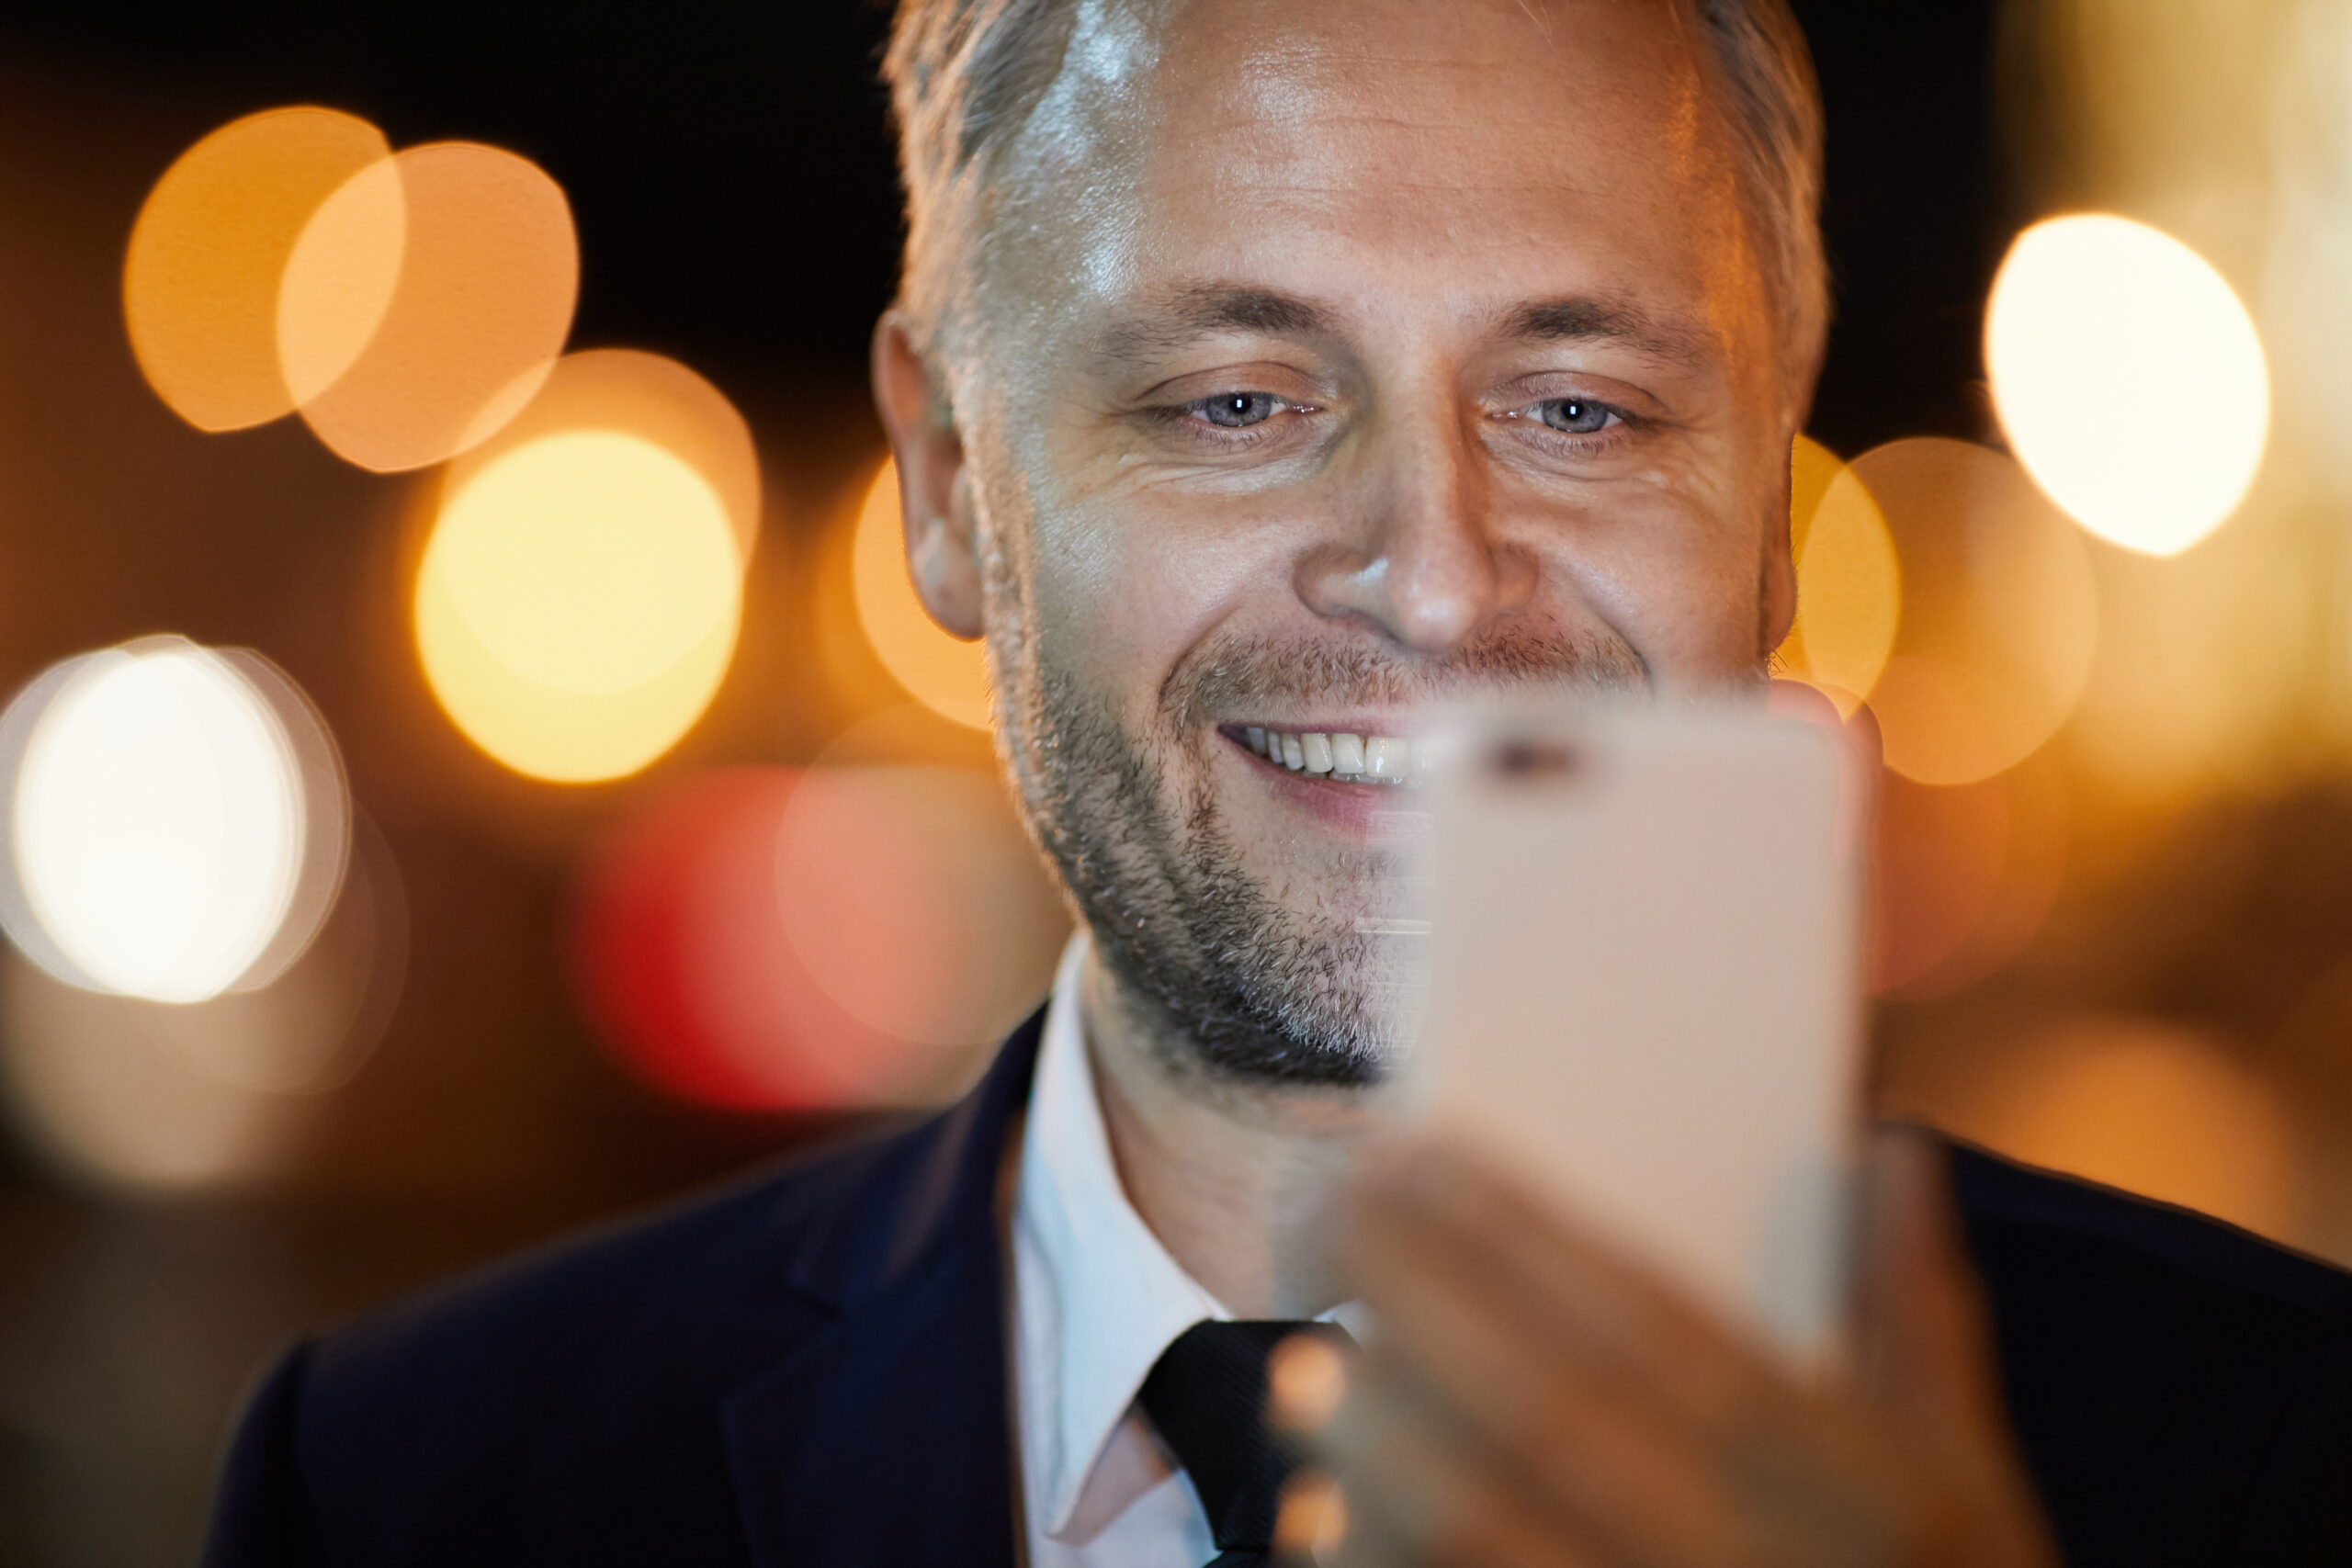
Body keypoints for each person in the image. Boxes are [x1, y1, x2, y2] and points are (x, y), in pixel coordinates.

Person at [203, 2, 2352, 1564]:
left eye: (1582, 411)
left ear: (1772, 514)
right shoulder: (421, 1485)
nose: (1432, 574)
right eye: (1235, 400)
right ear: (952, 485)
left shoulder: (2274, 1450)